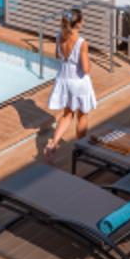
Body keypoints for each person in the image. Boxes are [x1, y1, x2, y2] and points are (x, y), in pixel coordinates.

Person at [45, 8, 97, 159]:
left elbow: (57, 55)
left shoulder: (59, 36)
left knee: (68, 114)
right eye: (83, 20)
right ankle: (82, 148)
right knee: (82, 116)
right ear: (78, 24)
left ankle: (53, 143)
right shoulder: (81, 43)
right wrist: (89, 61)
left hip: (64, 80)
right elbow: (86, 69)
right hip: (78, 83)